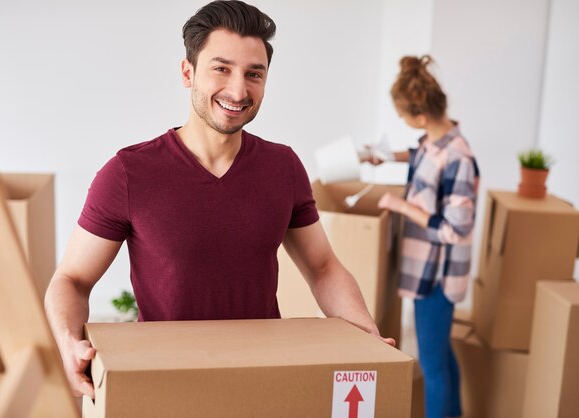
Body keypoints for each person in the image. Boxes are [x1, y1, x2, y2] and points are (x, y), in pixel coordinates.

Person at [45, 0, 394, 399]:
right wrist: (69, 342)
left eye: (254, 74)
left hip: (264, 378)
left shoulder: (283, 167)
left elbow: (323, 267)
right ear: (187, 72)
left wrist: (366, 333)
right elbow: (72, 280)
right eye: (221, 68)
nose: (238, 90)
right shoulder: (128, 173)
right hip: (163, 382)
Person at [362, 55, 479, 418]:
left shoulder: (458, 157)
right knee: (440, 352)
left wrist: (401, 206)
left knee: (431, 363)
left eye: (403, 116)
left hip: (436, 276)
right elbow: (421, 155)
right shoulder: (435, 140)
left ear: (422, 115)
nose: (401, 121)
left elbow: (456, 228)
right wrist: (386, 156)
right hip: (425, 269)